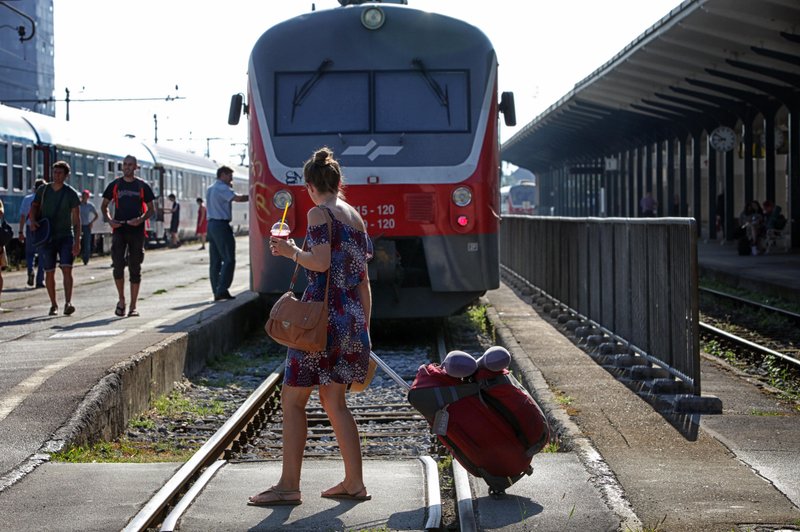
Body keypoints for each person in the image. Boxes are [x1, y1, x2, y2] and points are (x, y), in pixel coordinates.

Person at [249, 147, 373, 506]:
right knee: (335, 402)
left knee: (292, 401)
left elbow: (317, 263)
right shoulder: (354, 217)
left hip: (320, 321)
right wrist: (364, 330)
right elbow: (364, 281)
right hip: (348, 318)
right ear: (338, 181)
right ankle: (354, 482)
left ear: (309, 187)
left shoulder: (321, 214)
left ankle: (288, 486)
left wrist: (289, 252)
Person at [101, 155, 156, 317]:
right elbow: (104, 205)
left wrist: (140, 220)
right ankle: (121, 300)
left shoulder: (142, 186)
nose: (127, 167)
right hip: (119, 228)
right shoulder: (115, 185)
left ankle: (133, 306)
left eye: (130, 165)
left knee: (135, 267)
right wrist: (110, 220)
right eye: (125, 164)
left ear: (136, 167)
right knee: (117, 265)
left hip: (136, 230)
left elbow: (151, 209)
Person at [29, 161, 81, 316]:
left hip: (65, 235)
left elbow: (77, 219)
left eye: (60, 173)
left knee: (67, 268)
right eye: (55, 172)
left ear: (66, 175)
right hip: (47, 236)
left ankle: (68, 302)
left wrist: (77, 241)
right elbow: (34, 206)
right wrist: (32, 221)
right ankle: (53, 304)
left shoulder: (71, 193)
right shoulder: (43, 190)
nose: (56, 175)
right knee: (49, 271)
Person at [205, 165, 248, 301]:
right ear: (222, 175)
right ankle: (222, 290)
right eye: (229, 176)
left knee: (215, 261)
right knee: (229, 259)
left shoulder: (210, 188)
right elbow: (237, 198)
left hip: (211, 225)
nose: (231, 179)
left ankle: (216, 290)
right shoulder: (222, 188)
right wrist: (253, 194)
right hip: (221, 226)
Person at [18, 178, 46, 288]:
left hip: (30, 228)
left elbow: (23, 216)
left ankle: (30, 270)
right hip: (43, 229)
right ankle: (40, 281)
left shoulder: (27, 199)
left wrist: (20, 231)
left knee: (30, 253)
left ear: (34, 187)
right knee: (42, 254)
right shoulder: (46, 199)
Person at [79, 189, 99, 265]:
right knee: (77, 241)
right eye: (83, 196)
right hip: (79, 225)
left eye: (86, 196)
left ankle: (85, 259)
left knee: (87, 243)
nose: (84, 197)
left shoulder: (90, 206)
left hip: (86, 225)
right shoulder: (78, 205)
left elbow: (96, 215)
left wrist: (91, 222)